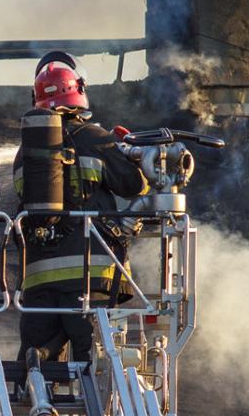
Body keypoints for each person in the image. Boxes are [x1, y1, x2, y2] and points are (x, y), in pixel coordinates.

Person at [16, 55, 150, 363]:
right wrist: (125, 151)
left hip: (39, 280)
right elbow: (133, 185)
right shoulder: (96, 138)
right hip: (92, 275)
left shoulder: (26, 152)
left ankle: (42, 407)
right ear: (78, 92)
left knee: (38, 362)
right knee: (95, 361)